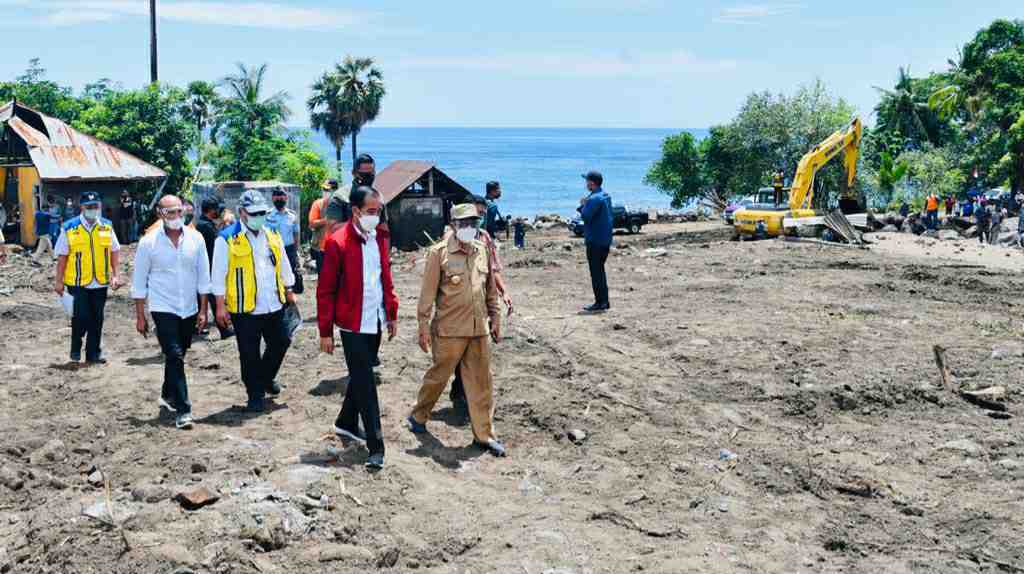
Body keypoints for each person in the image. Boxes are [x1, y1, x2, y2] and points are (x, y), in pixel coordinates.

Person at [409, 203, 506, 457]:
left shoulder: (482, 249)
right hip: (449, 330)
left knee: (481, 384)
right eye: (463, 224)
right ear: (453, 225)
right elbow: (427, 295)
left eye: (473, 223)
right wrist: (422, 326)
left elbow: (489, 291)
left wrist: (495, 318)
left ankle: (484, 435)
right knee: (438, 377)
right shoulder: (438, 253)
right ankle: (419, 415)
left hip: (478, 330)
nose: (469, 228)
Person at [317, 186, 398, 469]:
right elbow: (325, 290)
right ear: (356, 211)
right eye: (371, 212)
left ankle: (346, 422)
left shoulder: (379, 239)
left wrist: (391, 313)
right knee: (365, 383)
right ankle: (376, 447)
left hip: (375, 319)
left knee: (361, 376)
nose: (376, 217)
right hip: (352, 325)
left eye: (378, 211)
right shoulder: (337, 243)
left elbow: (384, 277)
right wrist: (325, 331)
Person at [212, 190, 297, 412]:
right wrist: (220, 307)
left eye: (262, 212)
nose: (259, 216)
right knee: (249, 353)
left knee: (281, 340)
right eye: (254, 213)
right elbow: (218, 275)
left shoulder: (272, 235)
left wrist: (289, 289)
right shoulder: (227, 238)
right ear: (242, 213)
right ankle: (255, 394)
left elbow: (284, 263)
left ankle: (266, 379)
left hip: (273, 302)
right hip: (244, 307)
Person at [131, 195, 211, 430]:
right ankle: (184, 410)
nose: (175, 217)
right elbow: (139, 281)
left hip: (189, 307)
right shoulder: (149, 243)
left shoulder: (196, 239)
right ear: (160, 214)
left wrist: (203, 310)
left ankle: (168, 394)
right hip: (162, 306)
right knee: (174, 354)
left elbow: (203, 277)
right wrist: (140, 315)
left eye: (178, 212)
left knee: (178, 354)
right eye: (170, 213)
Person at [54, 191, 122, 364]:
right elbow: (62, 256)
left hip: (100, 281)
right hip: (77, 282)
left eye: (95, 206)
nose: (93, 209)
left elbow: (114, 250)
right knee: (80, 317)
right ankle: (75, 349)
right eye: (89, 207)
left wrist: (115, 274)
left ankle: (93, 354)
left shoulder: (106, 226)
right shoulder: (70, 227)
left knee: (97, 319)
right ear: (82, 207)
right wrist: (58, 281)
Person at [195, 197, 233, 339]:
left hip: (207, 267)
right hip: (209, 268)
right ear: (211, 210)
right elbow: (220, 240)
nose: (220, 212)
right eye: (218, 209)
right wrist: (227, 224)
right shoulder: (205, 226)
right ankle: (224, 330)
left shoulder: (204, 224)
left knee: (210, 299)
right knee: (216, 300)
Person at [578, 170, 613, 312]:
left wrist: (582, 204)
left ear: (592, 183)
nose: (586, 183)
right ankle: (604, 301)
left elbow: (586, 216)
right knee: (600, 270)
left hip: (595, 241)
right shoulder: (605, 196)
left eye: (587, 181)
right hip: (605, 239)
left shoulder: (594, 199)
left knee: (596, 272)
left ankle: (600, 302)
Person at [267, 187, 303, 294]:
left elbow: (296, 234)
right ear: (273, 198)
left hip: (289, 249)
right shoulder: (267, 216)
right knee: (274, 274)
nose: (279, 198)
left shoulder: (292, 215)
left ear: (286, 197)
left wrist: (296, 252)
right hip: (273, 249)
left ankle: (289, 298)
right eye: (276, 195)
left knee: (290, 274)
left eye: (281, 195)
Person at [308, 180, 335, 274]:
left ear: (334, 191)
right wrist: (325, 220)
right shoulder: (318, 204)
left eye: (327, 190)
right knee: (323, 277)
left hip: (337, 248)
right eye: (323, 189)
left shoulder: (342, 204)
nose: (324, 192)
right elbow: (311, 223)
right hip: (321, 248)